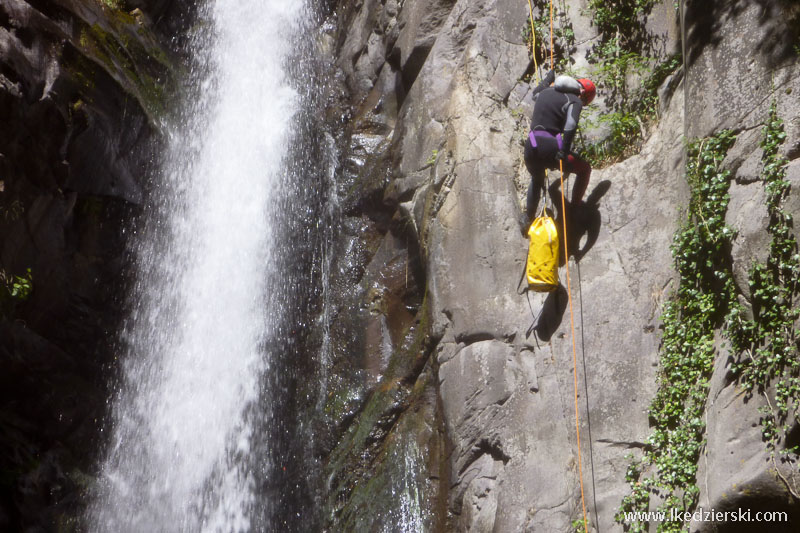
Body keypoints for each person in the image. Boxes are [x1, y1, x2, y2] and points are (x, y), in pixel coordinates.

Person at [522, 69, 596, 231]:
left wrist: (547, 79)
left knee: (537, 178)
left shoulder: (545, 92)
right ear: (582, 94)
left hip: (531, 146)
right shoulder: (574, 101)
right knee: (584, 169)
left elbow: (535, 92)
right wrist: (564, 149)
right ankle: (574, 210)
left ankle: (528, 218)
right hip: (551, 149)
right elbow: (571, 124)